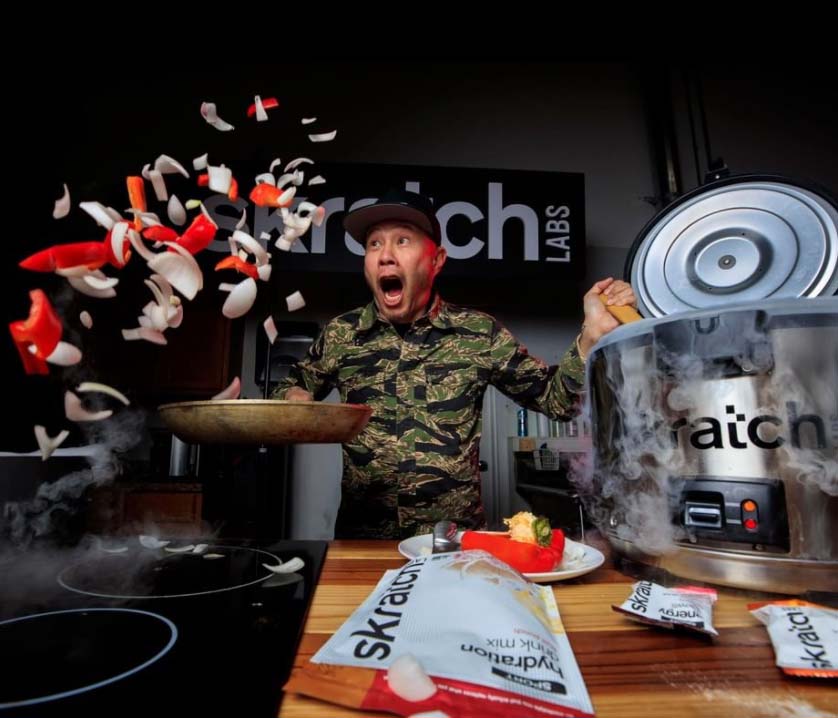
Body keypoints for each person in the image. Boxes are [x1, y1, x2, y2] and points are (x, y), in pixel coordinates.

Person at [272, 189, 636, 539]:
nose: (385, 255)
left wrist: (591, 337)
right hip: (364, 544)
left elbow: (558, 401)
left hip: (453, 544)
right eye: (374, 244)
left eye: (402, 240)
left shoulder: (479, 333)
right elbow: (289, 389)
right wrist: (292, 400)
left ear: (437, 260)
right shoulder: (341, 334)